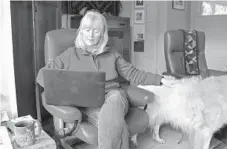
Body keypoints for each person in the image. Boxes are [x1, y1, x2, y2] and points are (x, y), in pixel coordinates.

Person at [36, 10, 177, 149]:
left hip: (113, 97)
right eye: (87, 30)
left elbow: (132, 73)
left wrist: (160, 79)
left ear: (102, 34)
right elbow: (42, 75)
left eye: (96, 31)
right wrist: (66, 90)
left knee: (115, 99)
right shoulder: (69, 55)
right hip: (87, 104)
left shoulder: (112, 54)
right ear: (81, 31)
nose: (91, 35)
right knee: (115, 125)